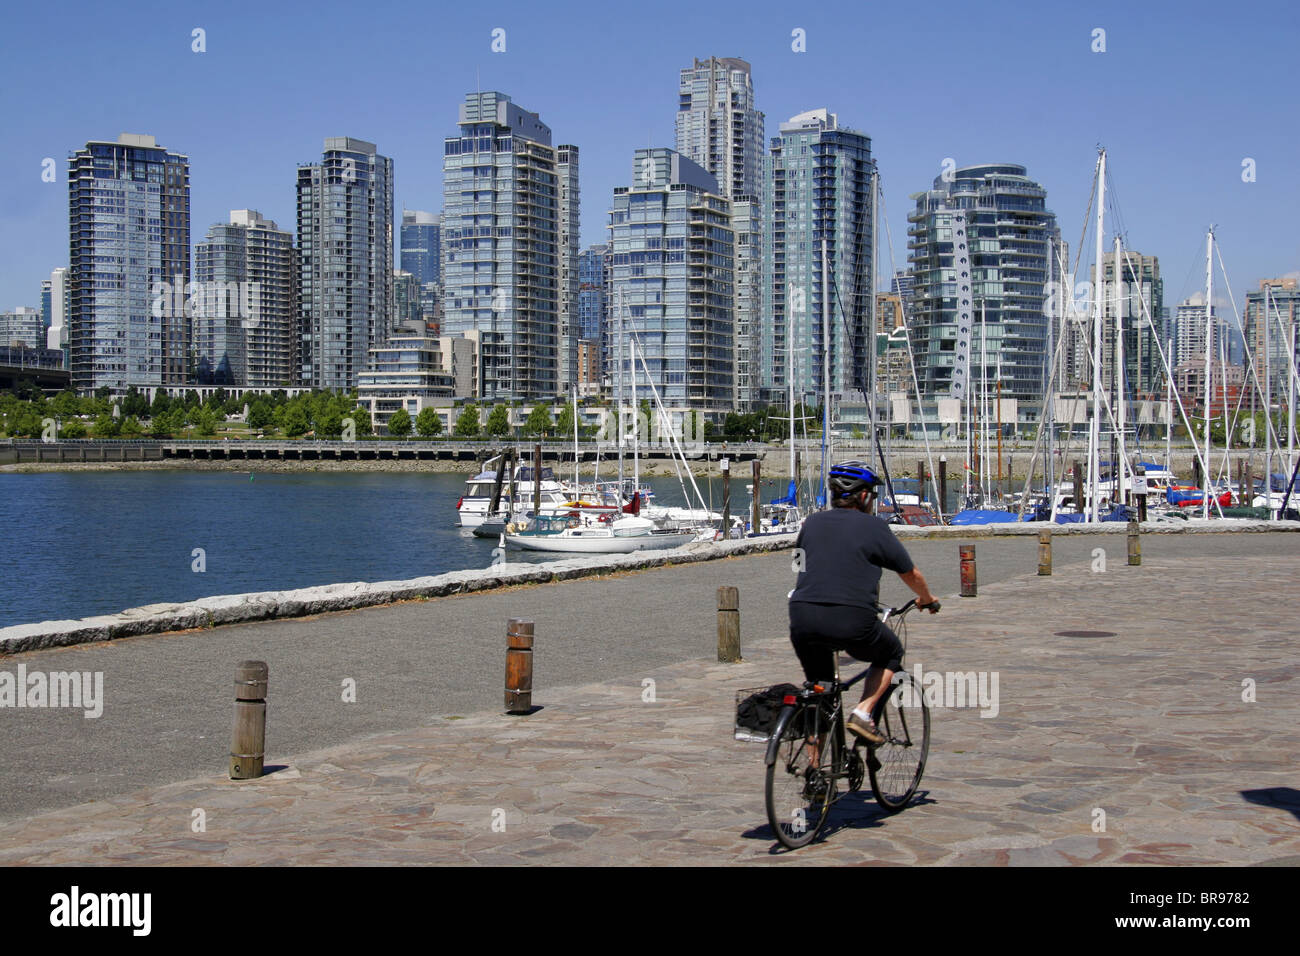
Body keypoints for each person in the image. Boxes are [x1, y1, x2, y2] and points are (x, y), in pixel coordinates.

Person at [789, 461, 940, 744]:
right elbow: (910, 573)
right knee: (891, 652)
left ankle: (815, 777)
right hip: (851, 619)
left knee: (820, 690)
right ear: (864, 497)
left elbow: (798, 564)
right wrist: (927, 599)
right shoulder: (874, 527)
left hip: (802, 615)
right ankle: (863, 711)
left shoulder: (811, 522)